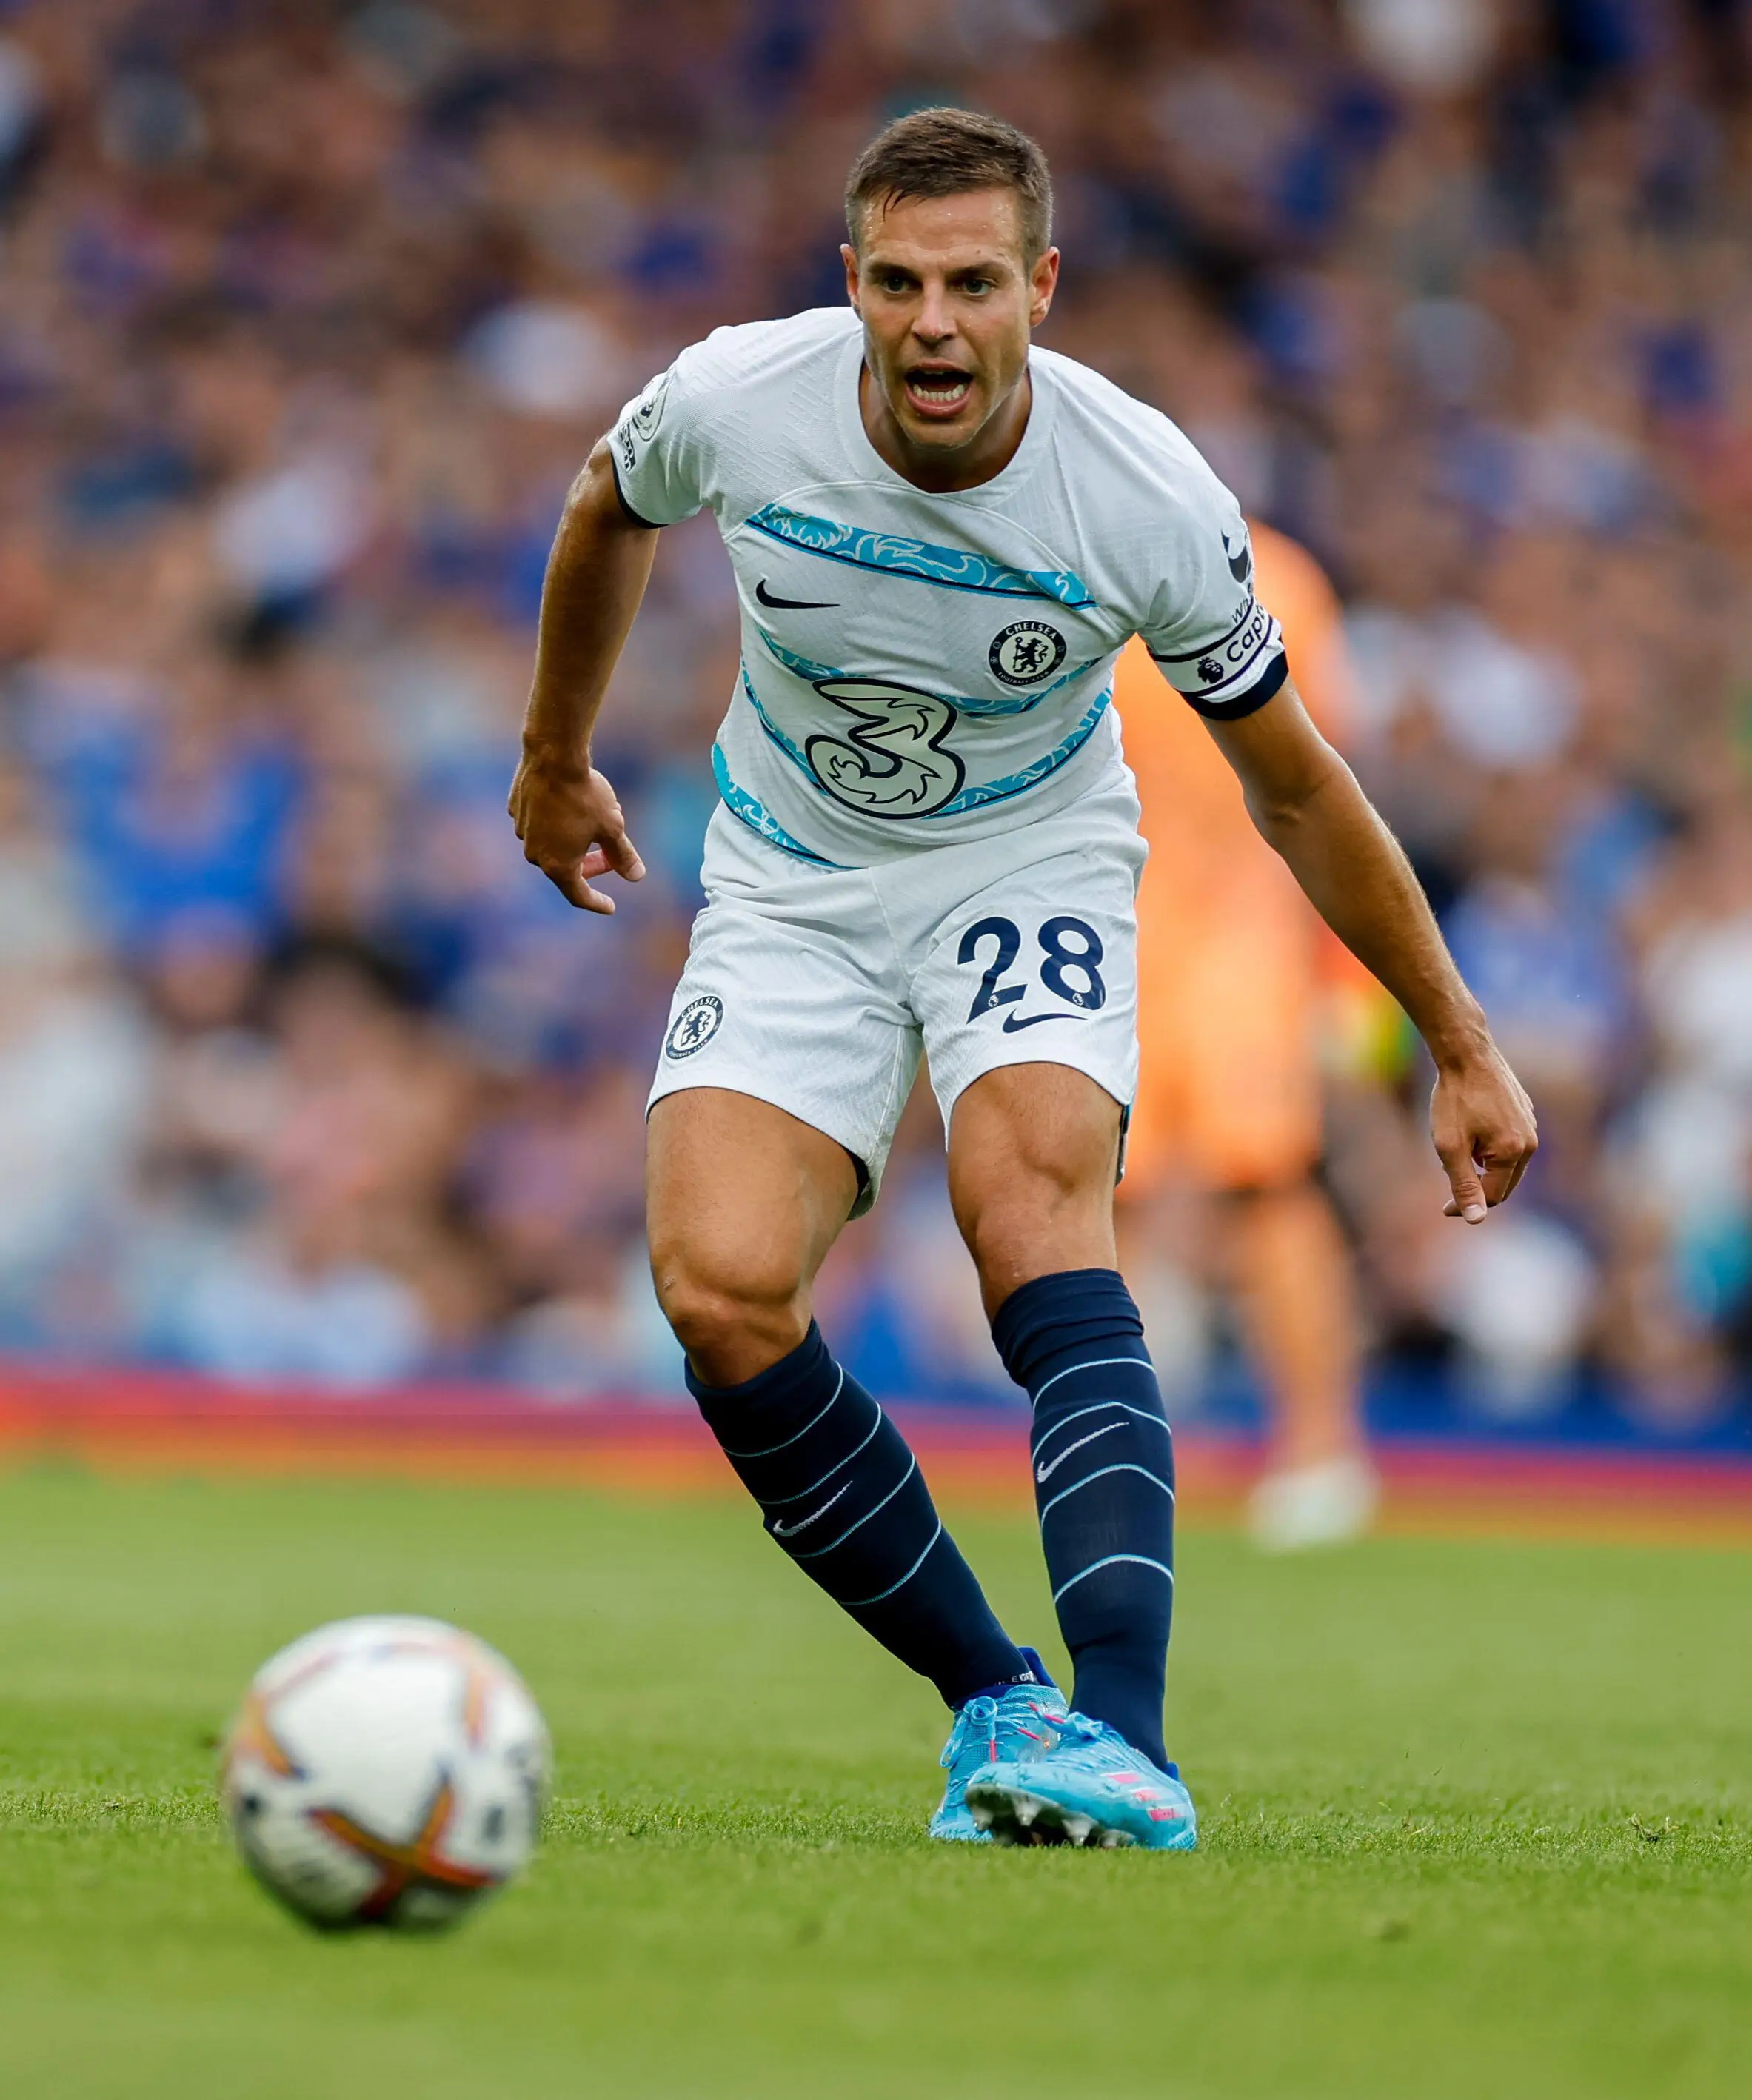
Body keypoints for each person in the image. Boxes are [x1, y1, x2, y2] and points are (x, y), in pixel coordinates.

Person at [509, 110, 1536, 1850]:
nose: (932, 321)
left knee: (1030, 1213)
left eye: (973, 282)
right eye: (897, 282)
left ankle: (1120, 1736)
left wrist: (1459, 1038)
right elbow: (608, 499)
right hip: (794, 871)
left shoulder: (1141, 492)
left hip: (1029, 859)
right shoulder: (736, 396)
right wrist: (551, 757)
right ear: (849, 285)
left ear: (1038, 291)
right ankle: (997, 1694)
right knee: (719, 1290)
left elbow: (1296, 782)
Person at [1118, 524, 1382, 1549]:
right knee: (1101, 1193)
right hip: (1116, 920)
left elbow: (1324, 775)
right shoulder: (1078, 546)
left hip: (1241, 924)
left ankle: (1322, 1446)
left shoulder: (1277, 577)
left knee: (1263, 1183)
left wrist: (1341, 967)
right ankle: (1119, 1448)